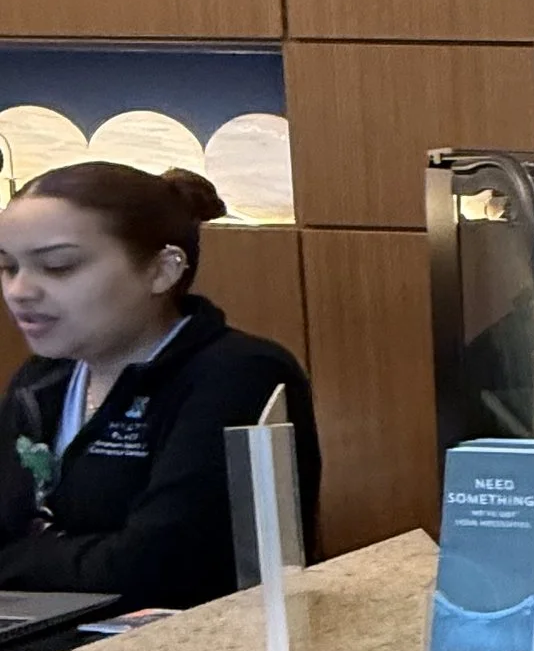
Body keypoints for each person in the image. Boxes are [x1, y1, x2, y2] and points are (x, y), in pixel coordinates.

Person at [0, 163, 319, 609]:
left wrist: (18, 559)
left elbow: (158, 567)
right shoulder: (42, 379)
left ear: (163, 270)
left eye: (59, 267)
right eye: (8, 267)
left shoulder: (239, 375)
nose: (19, 290)